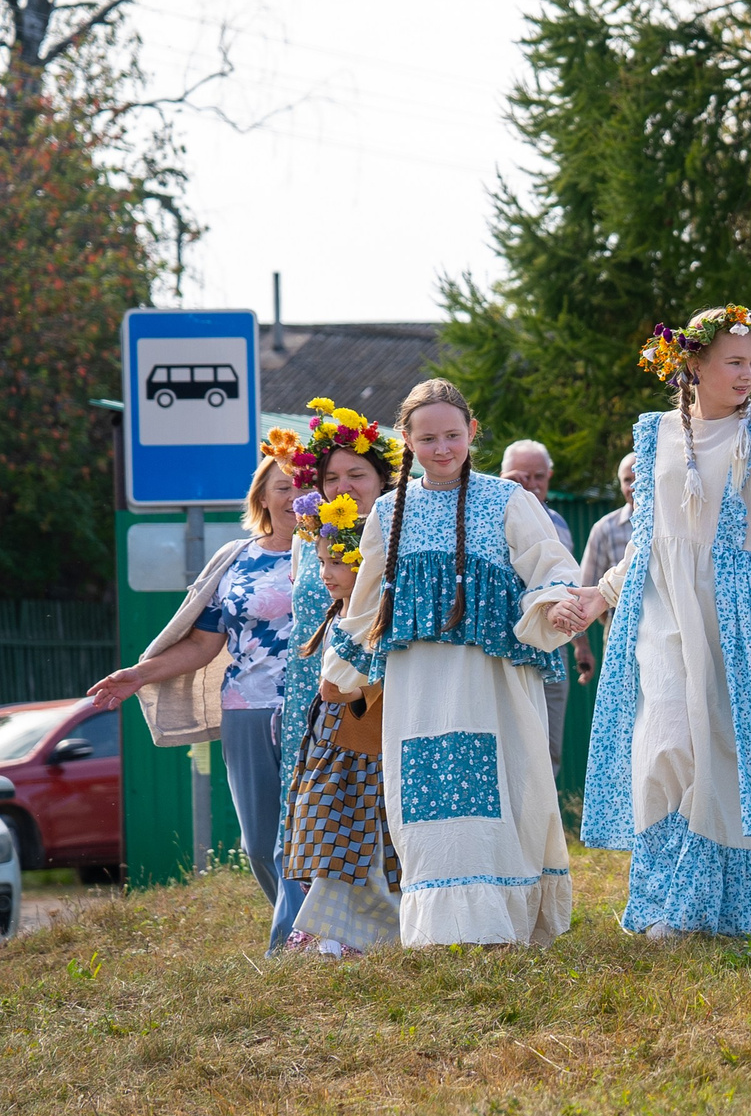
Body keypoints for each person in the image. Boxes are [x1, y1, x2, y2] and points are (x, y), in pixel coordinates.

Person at [560, 306, 751, 938]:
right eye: (734, 363)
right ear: (694, 365)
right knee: (665, 740)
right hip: (663, 610)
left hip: (739, 611)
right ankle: (669, 901)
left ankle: (731, 908)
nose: (748, 375)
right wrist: (599, 595)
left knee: (728, 752)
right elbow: (650, 537)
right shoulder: (654, 432)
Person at [319, 378, 582, 946]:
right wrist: (340, 672)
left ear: (472, 434)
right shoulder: (388, 511)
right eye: (429, 438)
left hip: (492, 682)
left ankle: (500, 921)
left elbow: (550, 564)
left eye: (453, 436)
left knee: (505, 789)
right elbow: (368, 599)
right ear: (408, 441)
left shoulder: (510, 500)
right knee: (426, 799)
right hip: (418, 687)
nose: (442, 448)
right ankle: (441, 927)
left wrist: (556, 603)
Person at [88, 433, 305, 905]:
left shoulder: (340, 550)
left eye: (304, 484)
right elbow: (205, 644)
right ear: (262, 497)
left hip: (318, 709)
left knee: (310, 834)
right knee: (261, 844)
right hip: (247, 710)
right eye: (282, 486)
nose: (294, 496)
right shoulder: (235, 559)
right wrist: (140, 675)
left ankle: (310, 938)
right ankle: (298, 933)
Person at [274, 402, 403, 955]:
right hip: (320, 700)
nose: (344, 486)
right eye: (332, 477)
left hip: (378, 696)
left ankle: (378, 932)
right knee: (328, 817)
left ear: (383, 477)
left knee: (377, 820)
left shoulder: (404, 530)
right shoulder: (316, 536)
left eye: (358, 474)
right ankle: (327, 931)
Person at [501, 439, 577, 771]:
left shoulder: (558, 522)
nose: (530, 486)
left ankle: (549, 821)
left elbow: (569, 586)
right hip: (502, 644)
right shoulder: (487, 517)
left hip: (551, 649)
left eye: (538, 477)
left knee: (548, 746)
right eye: (519, 478)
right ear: (501, 476)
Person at [573, 453, 642, 687]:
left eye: (639, 477)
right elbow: (585, 588)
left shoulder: (673, 522)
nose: (633, 486)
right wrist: (582, 646)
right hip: (620, 629)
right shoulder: (605, 529)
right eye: (626, 480)